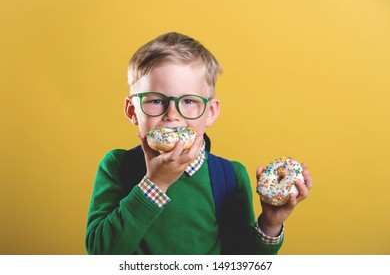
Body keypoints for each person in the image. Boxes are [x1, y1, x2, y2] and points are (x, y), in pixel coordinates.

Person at [85, 32, 313, 255]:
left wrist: (270, 224)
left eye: (188, 101)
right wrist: (154, 185)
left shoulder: (230, 176)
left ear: (211, 112)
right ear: (133, 111)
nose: (172, 115)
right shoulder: (117, 165)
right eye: (156, 100)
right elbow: (101, 252)